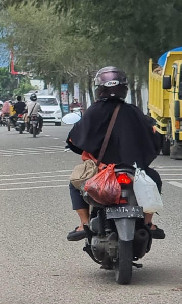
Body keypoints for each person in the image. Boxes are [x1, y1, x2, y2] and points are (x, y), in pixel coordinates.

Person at [65, 66, 164, 241]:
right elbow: (155, 140)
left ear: (99, 89)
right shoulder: (134, 112)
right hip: (134, 171)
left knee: (75, 183)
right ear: (123, 89)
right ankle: (149, 222)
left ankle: (84, 224)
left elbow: (74, 141)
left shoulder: (93, 112)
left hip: (101, 172)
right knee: (154, 179)